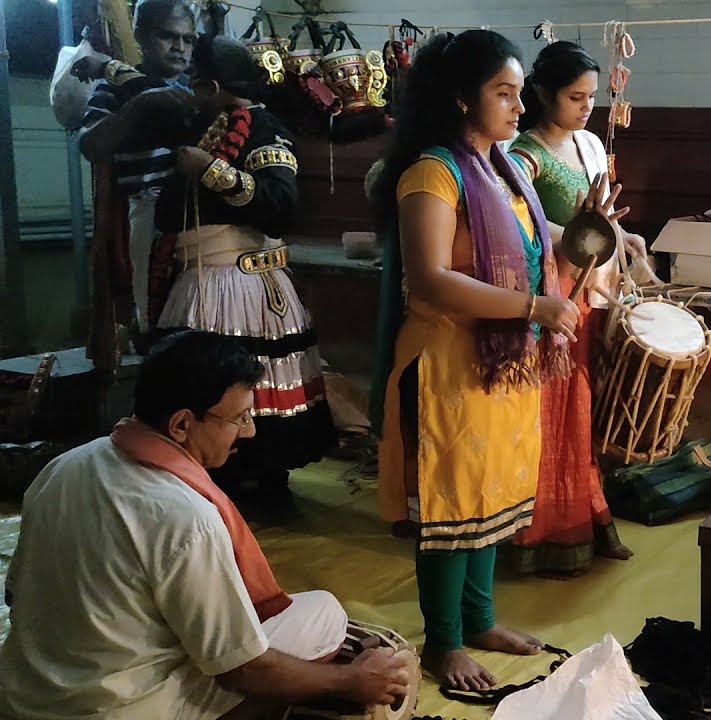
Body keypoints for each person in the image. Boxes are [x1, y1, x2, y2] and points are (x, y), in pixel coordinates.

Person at [367, 30, 623, 690]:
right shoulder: (433, 172)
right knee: (451, 504)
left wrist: (590, 227)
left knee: (492, 492)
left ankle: (478, 619)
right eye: (503, 94)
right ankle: (443, 641)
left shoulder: (503, 171)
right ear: (460, 99)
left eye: (517, 94)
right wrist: (534, 313)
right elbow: (428, 279)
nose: (517, 107)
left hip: (501, 363)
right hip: (447, 362)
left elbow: (545, 259)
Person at [0, 331, 413, 720]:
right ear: (181, 425)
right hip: (114, 709)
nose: (249, 431)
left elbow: (15, 594)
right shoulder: (185, 516)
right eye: (239, 418)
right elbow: (242, 669)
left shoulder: (65, 465)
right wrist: (351, 680)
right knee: (322, 613)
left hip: (22, 697)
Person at [150, 34, 335, 517]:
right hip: (203, 281)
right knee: (200, 385)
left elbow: (280, 208)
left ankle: (260, 486)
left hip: (242, 286)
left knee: (248, 388)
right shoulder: (205, 125)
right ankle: (207, 482)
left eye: (194, 86)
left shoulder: (264, 130)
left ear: (211, 85)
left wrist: (214, 171)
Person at [507, 40, 637, 576]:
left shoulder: (587, 143)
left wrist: (625, 236)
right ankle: (539, 529)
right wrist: (583, 237)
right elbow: (522, 228)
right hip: (549, 298)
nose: (586, 107)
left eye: (590, 96)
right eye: (574, 96)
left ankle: (589, 511)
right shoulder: (522, 154)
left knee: (582, 403)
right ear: (542, 94)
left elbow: (600, 220)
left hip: (587, 290)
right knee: (548, 410)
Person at [76, 0, 198, 358]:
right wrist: (139, 105)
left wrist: (117, 71)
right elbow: (90, 143)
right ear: (142, 36)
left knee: (200, 314)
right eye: (168, 36)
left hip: (200, 214)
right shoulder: (112, 92)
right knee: (155, 317)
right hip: (150, 209)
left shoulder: (195, 88)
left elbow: (180, 105)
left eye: (188, 40)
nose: (180, 47)